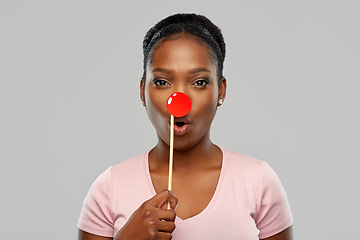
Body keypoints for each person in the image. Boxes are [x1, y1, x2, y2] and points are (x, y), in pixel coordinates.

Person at [78, 13, 293, 240]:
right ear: (142, 91)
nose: (179, 100)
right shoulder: (109, 188)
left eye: (199, 82)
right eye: (162, 82)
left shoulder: (258, 182)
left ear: (221, 91)